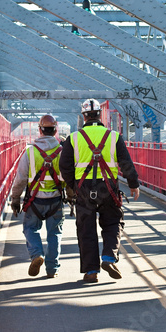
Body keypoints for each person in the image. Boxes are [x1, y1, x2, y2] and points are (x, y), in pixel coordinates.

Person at [59, 98, 140, 283]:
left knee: (86, 229)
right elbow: (126, 164)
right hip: (108, 187)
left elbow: (64, 166)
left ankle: (91, 271)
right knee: (113, 222)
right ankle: (109, 257)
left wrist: (74, 185)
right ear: (100, 115)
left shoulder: (73, 139)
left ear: (83, 116)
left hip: (84, 189)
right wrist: (133, 184)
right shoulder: (114, 137)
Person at [11, 114, 65, 278]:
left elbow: (20, 178)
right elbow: (68, 177)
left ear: (40, 130)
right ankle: (52, 269)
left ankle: (37, 255)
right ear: (55, 130)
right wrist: (71, 196)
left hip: (34, 200)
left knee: (30, 229)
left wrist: (15, 199)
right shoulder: (62, 152)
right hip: (55, 200)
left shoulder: (30, 152)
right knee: (54, 234)